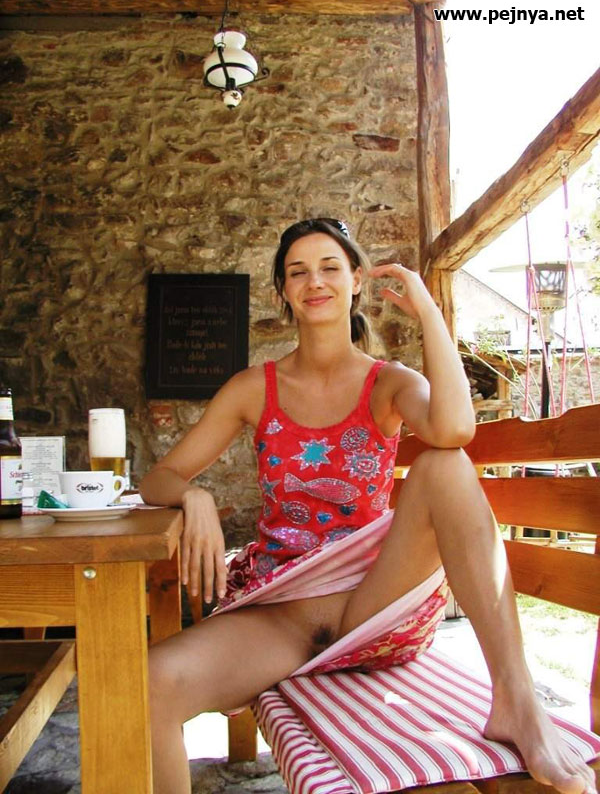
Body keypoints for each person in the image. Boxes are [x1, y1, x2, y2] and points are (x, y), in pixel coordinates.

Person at [140, 218, 596, 794]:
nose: (315, 281)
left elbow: (455, 429)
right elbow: (158, 477)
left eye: (330, 267)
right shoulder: (254, 388)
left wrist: (428, 310)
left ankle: (516, 700)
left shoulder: (388, 383)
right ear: (283, 291)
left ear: (356, 280)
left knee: (445, 464)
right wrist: (193, 494)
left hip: (376, 609)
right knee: (151, 682)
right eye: (298, 272)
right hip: (284, 618)